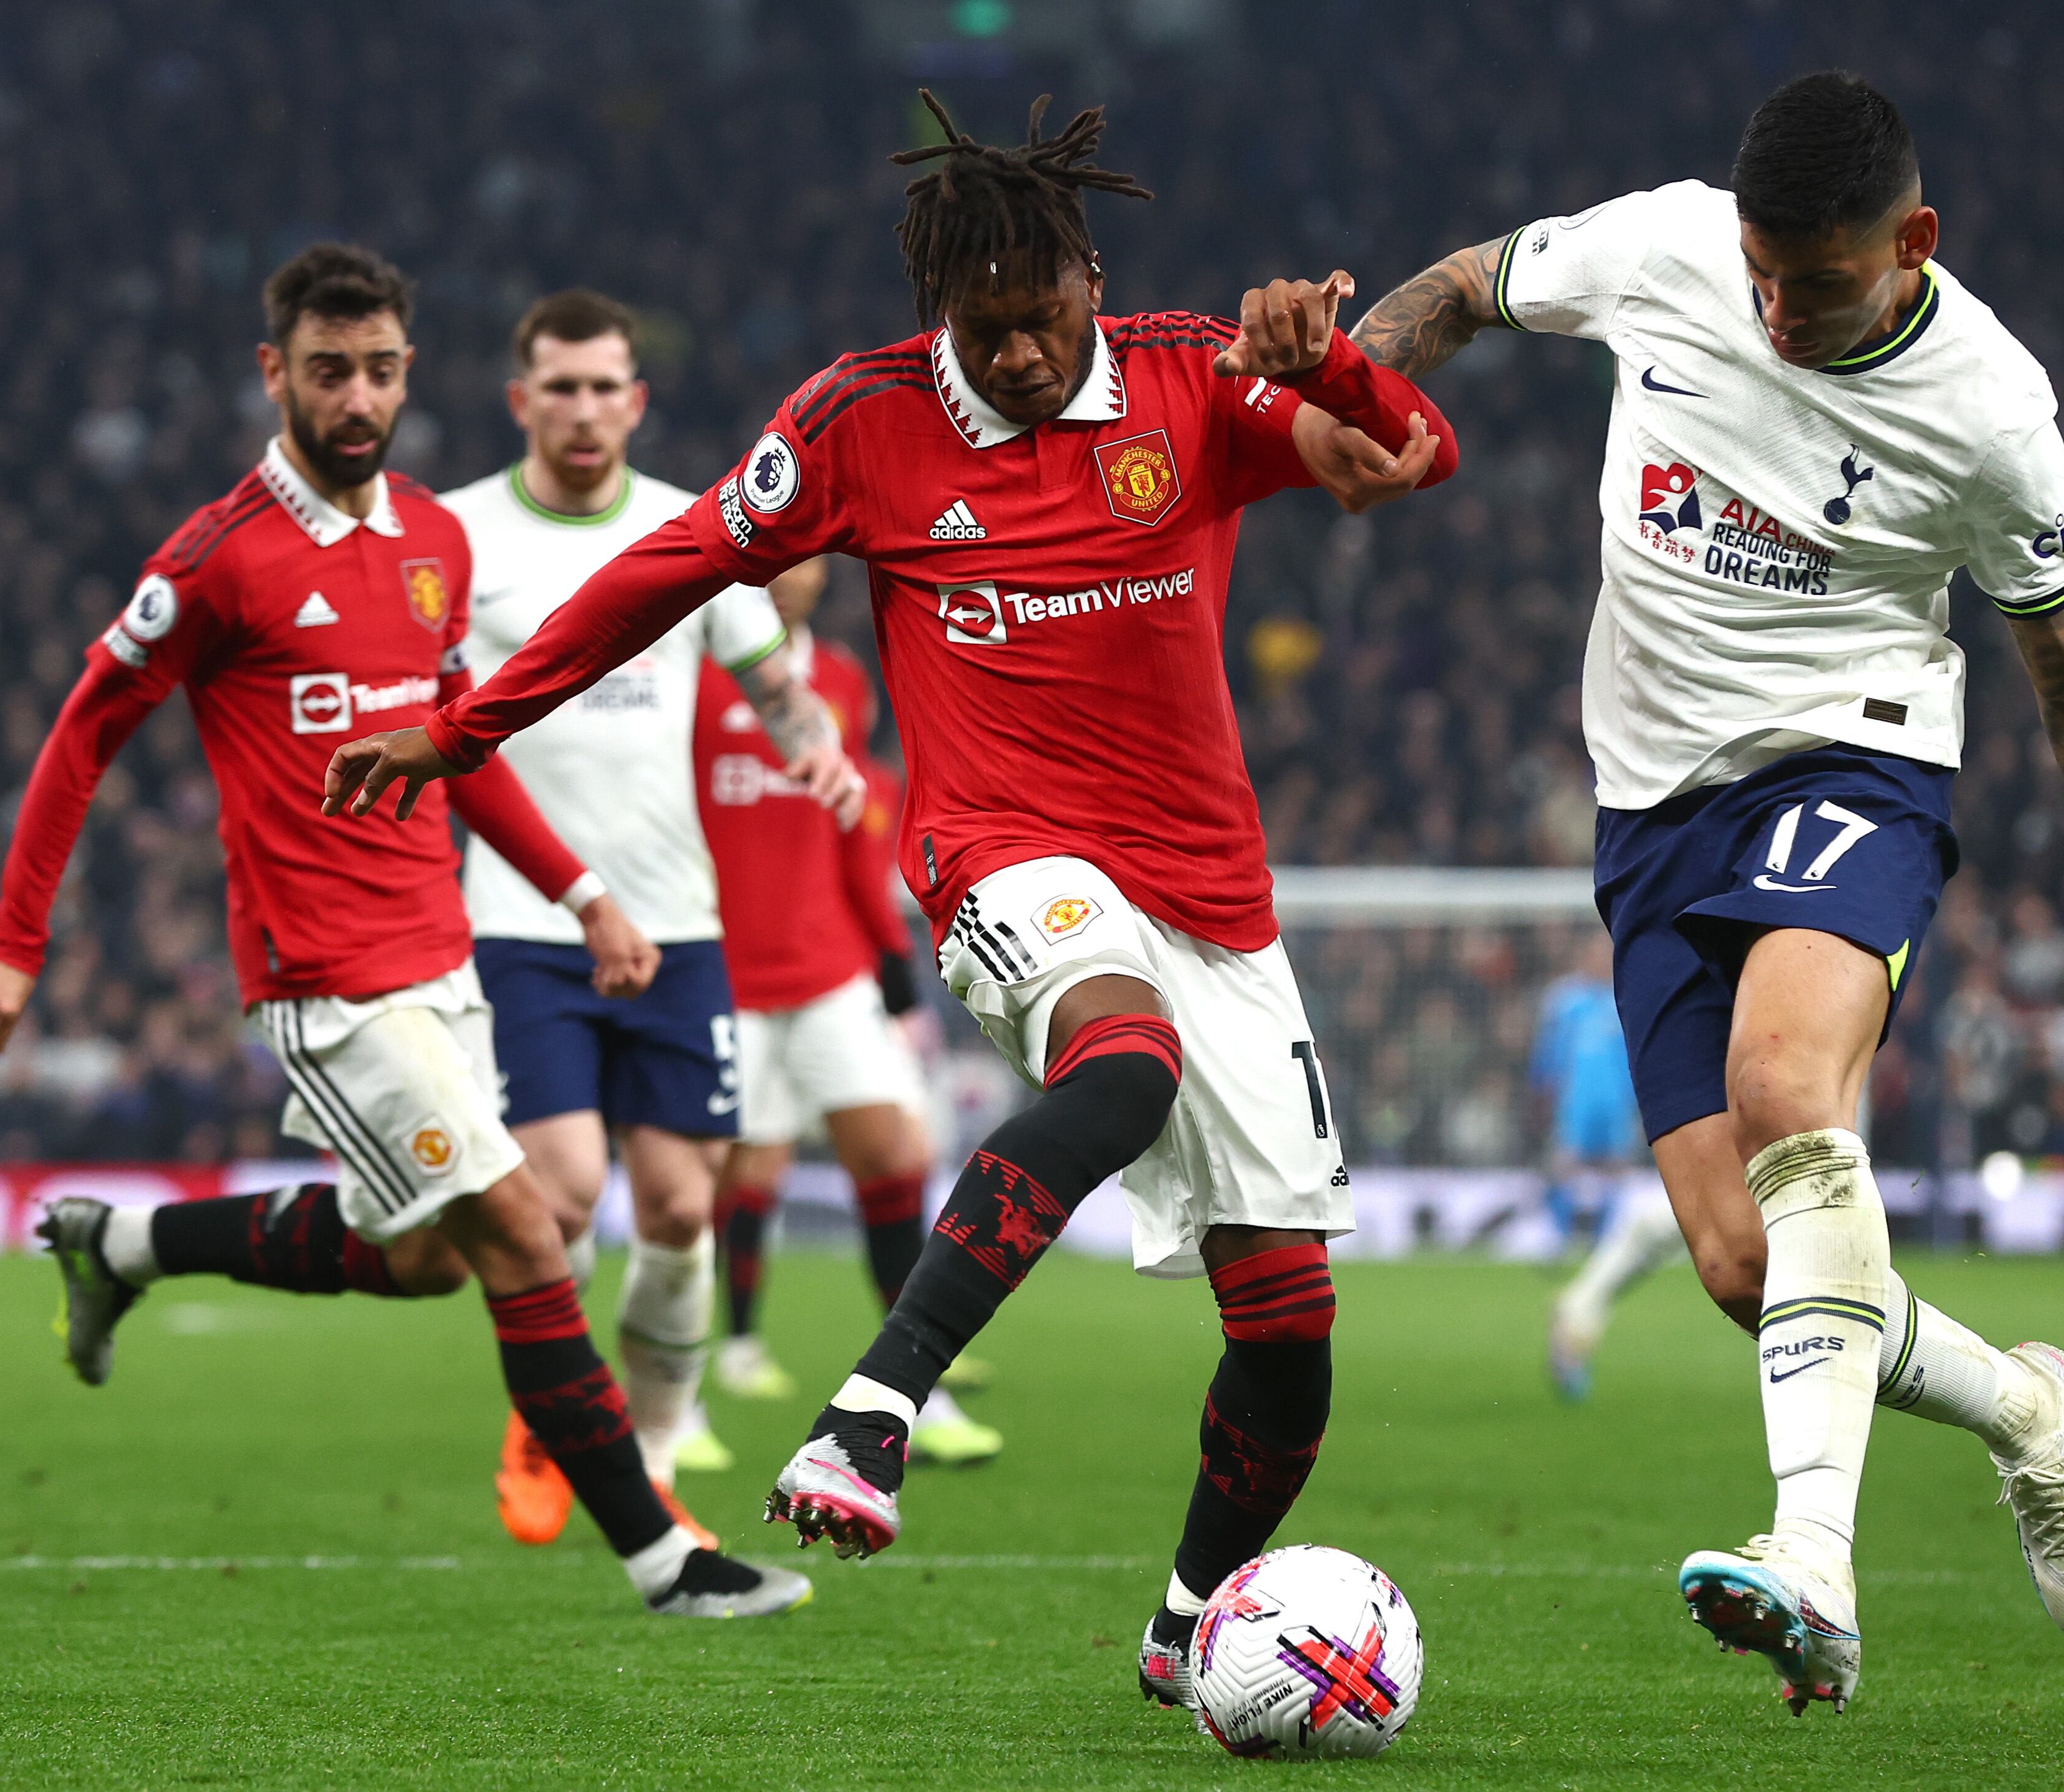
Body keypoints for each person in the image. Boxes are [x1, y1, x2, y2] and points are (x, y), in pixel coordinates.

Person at [320, 93, 1453, 1709]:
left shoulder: (1198, 376)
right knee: (1117, 1074)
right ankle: (872, 1409)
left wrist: (1328, 365)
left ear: (1091, 282)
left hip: (1207, 889)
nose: (1010, 360)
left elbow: (1415, 450)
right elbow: (669, 571)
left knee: (1286, 1331)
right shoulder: (858, 423)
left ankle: (1188, 1622)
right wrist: (466, 723)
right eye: (979, 332)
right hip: (1002, 853)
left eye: (1038, 324)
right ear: (939, 314)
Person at [1352, 69, 2064, 1713]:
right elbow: (1456, 289)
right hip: (1649, 811)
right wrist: (1330, 411)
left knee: (1784, 1084)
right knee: (1741, 1264)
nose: (1779, 309)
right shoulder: (1661, 248)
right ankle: (2019, 1406)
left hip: (1850, 764)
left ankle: (1814, 1563)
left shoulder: (1991, 411)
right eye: (1761, 270)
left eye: (1821, 280)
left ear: (1910, 240)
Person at [0, 243, 810, 1620]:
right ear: (275, 372)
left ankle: (118, 1248)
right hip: (325, 979)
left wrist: (580, 890)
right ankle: (665, 1557)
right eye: (329, 369)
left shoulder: (433, 542)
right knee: (526, 1234)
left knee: (418, 1259)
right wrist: (16, 939)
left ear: (412, 373)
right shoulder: (218, 560)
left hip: (442, 955)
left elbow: (464, 742)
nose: (358, 395)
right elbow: (81, 732)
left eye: (381, 369)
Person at [438, 289, 863, 1553]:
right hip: (523, 923)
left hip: (680, 924)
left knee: (682, 1207)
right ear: (522, 400)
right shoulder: (460, 540)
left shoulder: (694, 530)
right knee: (560, 1196)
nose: (582, 408)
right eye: (557, 387)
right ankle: (550, 1411)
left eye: (603, 385)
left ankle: (659, 1448)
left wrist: (820, 751)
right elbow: (425, 709)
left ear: (637, 399)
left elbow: (775, 685)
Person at [694, 557, 1002, 1467]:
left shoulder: (838, 682)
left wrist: (887, 956)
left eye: (811, 558)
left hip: (828, 972)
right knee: (712, 1184)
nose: (793, 574)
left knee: (898, 1159)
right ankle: (697, 1386)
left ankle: (917, 1392)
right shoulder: (698, 685)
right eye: (776, 558)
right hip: (722, 980)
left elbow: (853, 836)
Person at [1529, 928, 1683, 1399]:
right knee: (1570, 1177)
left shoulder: (1627, 996)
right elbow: (1547, 1064)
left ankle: (1586, 1286)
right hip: (1576, 1110)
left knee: (1631, 1198)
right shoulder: (1563, 1000)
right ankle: (1568, 1255)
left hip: (1617, 1110)